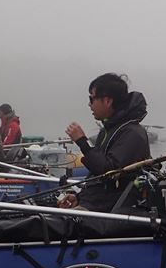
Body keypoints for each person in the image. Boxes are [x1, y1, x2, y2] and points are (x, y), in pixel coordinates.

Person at [64, 73, 151, 212]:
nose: (89, 104)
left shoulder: (132, 134)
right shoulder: (107, 130)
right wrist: (79, 197)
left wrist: (82, 142)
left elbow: (108, 171)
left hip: (110, 210)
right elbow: (97, 176)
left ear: (108, 101)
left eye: (92, 98)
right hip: (96, 203)